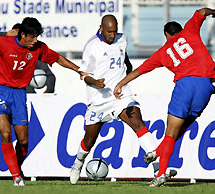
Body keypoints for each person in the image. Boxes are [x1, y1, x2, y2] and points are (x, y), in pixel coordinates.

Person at [0, 17, 86, 186]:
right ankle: (16, 176)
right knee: (6, 133)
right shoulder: (1, 43)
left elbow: (58, 58)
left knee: (23, 141)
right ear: (22, 35)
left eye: (37, 36)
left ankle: (17, 168)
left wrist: (79, 70)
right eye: (32, 36)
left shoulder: (39, 48)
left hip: (19, 94)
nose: (35, 40)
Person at [114, 8, 215, 187]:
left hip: (185, 85)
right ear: (180, 30)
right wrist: (214, 12)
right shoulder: (190, 30)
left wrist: (120, 84)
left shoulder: (163, 51)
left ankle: (161, 174)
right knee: (180, 130)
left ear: (166, 34)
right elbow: (201, 11)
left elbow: (141, 70)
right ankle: (157, 153)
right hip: (206, 86)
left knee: (171, 132)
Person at [69, 14, 176, 185]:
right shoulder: (92, 46)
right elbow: (85, 75)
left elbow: (123, 57)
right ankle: (78, 163)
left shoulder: (122, 39)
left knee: (138, 121)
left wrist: (127, 70)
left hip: (121, 95)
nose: (112, 35)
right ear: (101, 28)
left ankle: (158, 168)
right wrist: (95, 82)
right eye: (109, 32)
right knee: (89, 140)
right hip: (99, 99)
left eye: (115, 31)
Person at [0, 24, 56, 93]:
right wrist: (6, 34)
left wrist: (48, 91)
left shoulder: (32, 53)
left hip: (24, 94)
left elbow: (50, 75)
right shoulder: (4, 50)